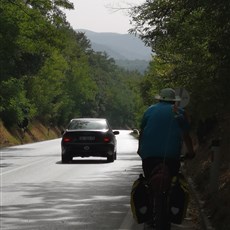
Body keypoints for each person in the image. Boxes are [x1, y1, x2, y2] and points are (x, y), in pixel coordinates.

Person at [137, 88, 195, 229]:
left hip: (149, 156)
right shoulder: (179, 112)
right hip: (171, 158)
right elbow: (186, 135)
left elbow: (142, 133)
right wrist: (191, 152)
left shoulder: (149, 111)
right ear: (174, 101)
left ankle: (149, 213)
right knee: (172, 184)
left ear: (159, 99)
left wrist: (140, 150)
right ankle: (170, 209)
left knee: (149, 183)